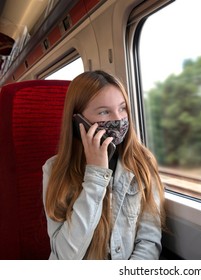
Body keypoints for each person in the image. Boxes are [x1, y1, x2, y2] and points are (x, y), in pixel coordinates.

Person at [43, 70, 165, 260]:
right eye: (104, 112)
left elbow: (148, 241)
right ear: (79, 122)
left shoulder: (142, 162)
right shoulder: (54, 170)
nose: (118, 119)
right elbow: (65, 257)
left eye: (122, 108)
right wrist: (96, 176)